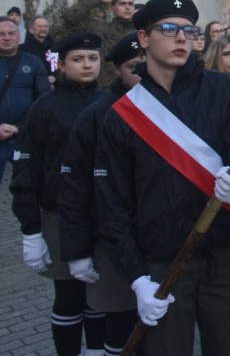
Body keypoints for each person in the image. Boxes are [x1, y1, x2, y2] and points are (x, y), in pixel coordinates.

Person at [94, 0, 230, 355]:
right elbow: (113, 203)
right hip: (162, 261)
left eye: (189, 30)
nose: (181, 37)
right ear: (142, 37)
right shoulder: (121, 116)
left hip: (226, 253)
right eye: (169, 29)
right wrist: (137, 278)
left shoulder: (224, 89)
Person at [11, 32, 108, 355]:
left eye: (92, 58)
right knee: (68, 297)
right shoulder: (44, 107)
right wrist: (31, 229)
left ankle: (95, 351)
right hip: (59, 214)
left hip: (104, 214)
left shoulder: (110, 102)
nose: (86, 65)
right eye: (78, 59)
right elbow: (28, 169)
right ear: (62, 65)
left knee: (98, 295)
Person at [58, 34, 144, 354]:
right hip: (112, 238)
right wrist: (77, 249)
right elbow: (75, 186)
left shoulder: (173, 108)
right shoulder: (98, 114)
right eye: (135, 68)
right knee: (120, 328)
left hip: (160, 238)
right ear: (118, 72)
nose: (144, 73)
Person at [0, 17, 50, 181]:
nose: (7, 37)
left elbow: (43, 100)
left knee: (27, 185)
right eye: (1, 34)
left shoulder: (33, 62)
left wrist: (18, 128)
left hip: (24, 137)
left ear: (18, 36)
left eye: (11, 33)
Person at [60, 0, 138, 87]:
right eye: (122, 4)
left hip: (134, 87)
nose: (127, 7)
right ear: (112, 8)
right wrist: (99, 0)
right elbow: (70, 16)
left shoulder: (139, 32)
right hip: (107, 87)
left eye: (130, 4)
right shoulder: (101, 28)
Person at [20, 15, 57, 79]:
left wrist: (54, 77)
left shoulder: (55, 47)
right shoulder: (23, 49)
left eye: (45, 26)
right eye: (40, 26)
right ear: (31, 30)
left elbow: (58, 67)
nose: (43, 29)